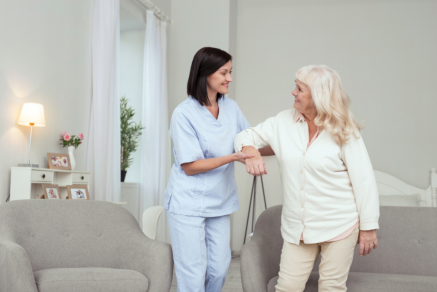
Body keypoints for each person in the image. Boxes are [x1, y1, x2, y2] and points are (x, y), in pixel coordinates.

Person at [234, 65, 379, 292]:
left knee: (331, 287)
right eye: (296, 86)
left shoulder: (344, 130)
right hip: (297, 228)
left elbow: (364, 180)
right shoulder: (283, 121)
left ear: (318, 95)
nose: (293, 92)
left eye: (300, 89)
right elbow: (246, 135)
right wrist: (251, 153)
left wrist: (368, 227)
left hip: (339, 224)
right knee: (287, 287)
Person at [164, 47, 274, 292]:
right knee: (192, 273)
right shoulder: (183, 113)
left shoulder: (231, 107)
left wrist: (283, 145)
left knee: (219, 268)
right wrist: (233, 156)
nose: (230, 79)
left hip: (219, 201)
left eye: (230, 72)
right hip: (188, 203)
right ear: (205, 73)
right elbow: (190, 166)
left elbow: (251, 143)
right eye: (224, 72)